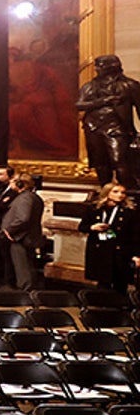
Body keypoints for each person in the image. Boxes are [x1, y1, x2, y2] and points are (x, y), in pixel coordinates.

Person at [78, 55, 140, 187]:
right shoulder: (90, 86)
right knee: (100, 164)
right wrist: (103, 101)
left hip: (117, 128)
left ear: (111, 67)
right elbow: (79, 105)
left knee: (120, 162)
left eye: (99, 66)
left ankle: (129, 194)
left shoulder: (129, 85)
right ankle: (105, 193)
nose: (96, 69)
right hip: (94, 127)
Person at [85, 183, 139, 298]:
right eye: (115, 192)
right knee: (102, 283)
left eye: (123, 192)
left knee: (120, 284)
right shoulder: (95, 209)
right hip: (100, 250)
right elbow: (82, 226)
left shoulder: (129, 212)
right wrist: (93, 227)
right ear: (107, 193)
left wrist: (136, 255)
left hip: (120, 251)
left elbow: (135, 235)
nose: (120, 195)